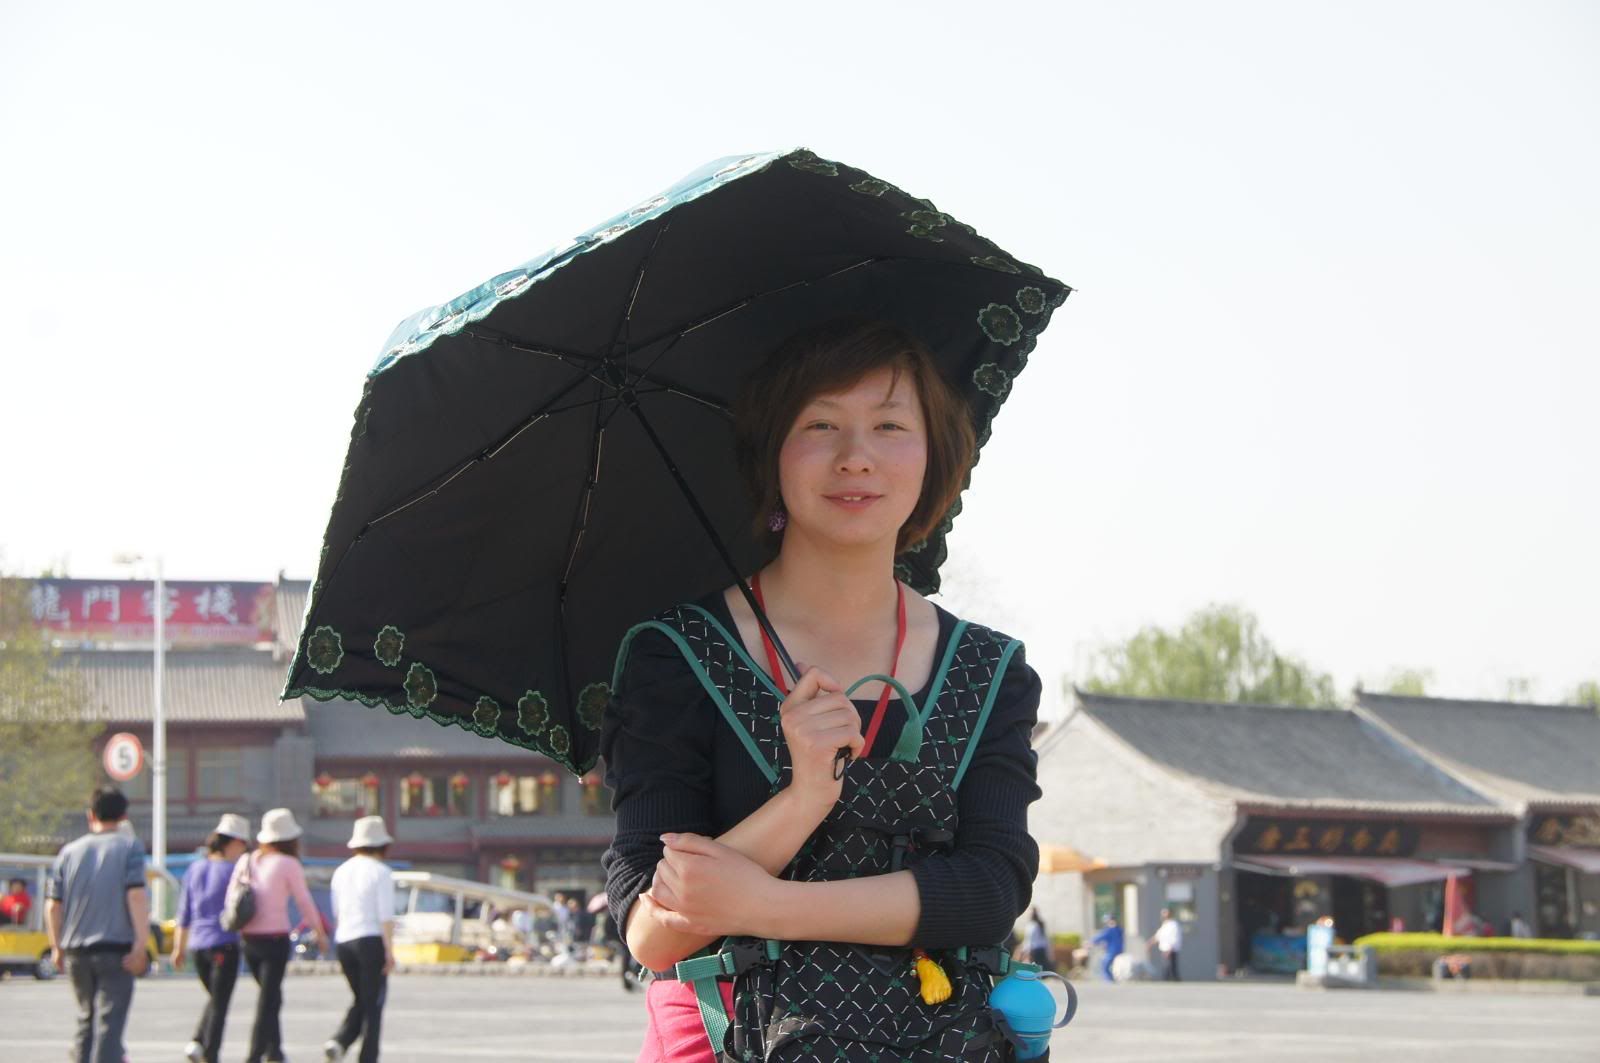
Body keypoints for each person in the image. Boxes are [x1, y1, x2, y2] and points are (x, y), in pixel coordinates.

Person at [601, 319, 1043, 1061]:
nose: (855, 456)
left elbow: (990, 889)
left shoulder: (988, 670)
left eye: (890, 426)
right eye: (820, 425)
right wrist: (803, 799)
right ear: (772, 453)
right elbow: (651, 931)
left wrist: (769, 904)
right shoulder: (676, 656)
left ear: (934, 456)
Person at [44, 786, 149, 1063]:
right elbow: (136, 895)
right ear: (123, 816)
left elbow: (53, 904)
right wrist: (141, 943)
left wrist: (56, 946)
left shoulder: (68, 852)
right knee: (109, 1025)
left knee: (85, 1020)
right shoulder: (130, 847)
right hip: (115, 949)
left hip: (76, 951)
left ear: (90, 815)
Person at [231, 807, 331, 1063]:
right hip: (274, 939)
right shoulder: (288, 864)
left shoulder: (247, 860)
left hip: (248, 939)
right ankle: (255, 1055)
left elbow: (231, 896)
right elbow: (304, 901)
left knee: (271, 995)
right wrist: (319, 933)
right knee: (268, 999)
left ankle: (275, 1051)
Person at [173, 814, 252, 1063]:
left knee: (216, 997)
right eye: (243, 845)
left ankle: (197, 1042)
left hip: (198, 947)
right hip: (224, 944)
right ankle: (210, 1053)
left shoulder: (195, 869)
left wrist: (178, 948)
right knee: (220, 1003)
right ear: (234, 842)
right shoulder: (233, 871)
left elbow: (184, 914)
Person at [322, 815, 396, 1063]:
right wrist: (389, 950)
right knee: (373, 1004)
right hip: (370, 940)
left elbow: (336, 912)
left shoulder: (341, 871)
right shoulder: (381, 872)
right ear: (383, 845)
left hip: (344, 940)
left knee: (362, 998)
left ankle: (340, 1042)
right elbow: (385, 916)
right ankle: (366, 1057)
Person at [1147, 907, 1182, 981]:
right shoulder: (1165, 925)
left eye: (1165, 913)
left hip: (1171, 951)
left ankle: (1174, 982)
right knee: (1166, 969)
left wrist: (1169, 950)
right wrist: (1150, 943)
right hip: (1165, 950)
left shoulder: (1173, 925)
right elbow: (1158, 936)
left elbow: (1174, 938)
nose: (1163, 916)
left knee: (1171, 970)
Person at [1090, 915, 1124, 983]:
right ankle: (1112, 979)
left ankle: (1109, 979)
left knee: (1105, 965)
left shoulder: (1110, 930)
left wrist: (1091, 942)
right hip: (1119, 950)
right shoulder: (1119, 929)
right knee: (1112, 965)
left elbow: (1100, 937)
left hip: (1112, 951)